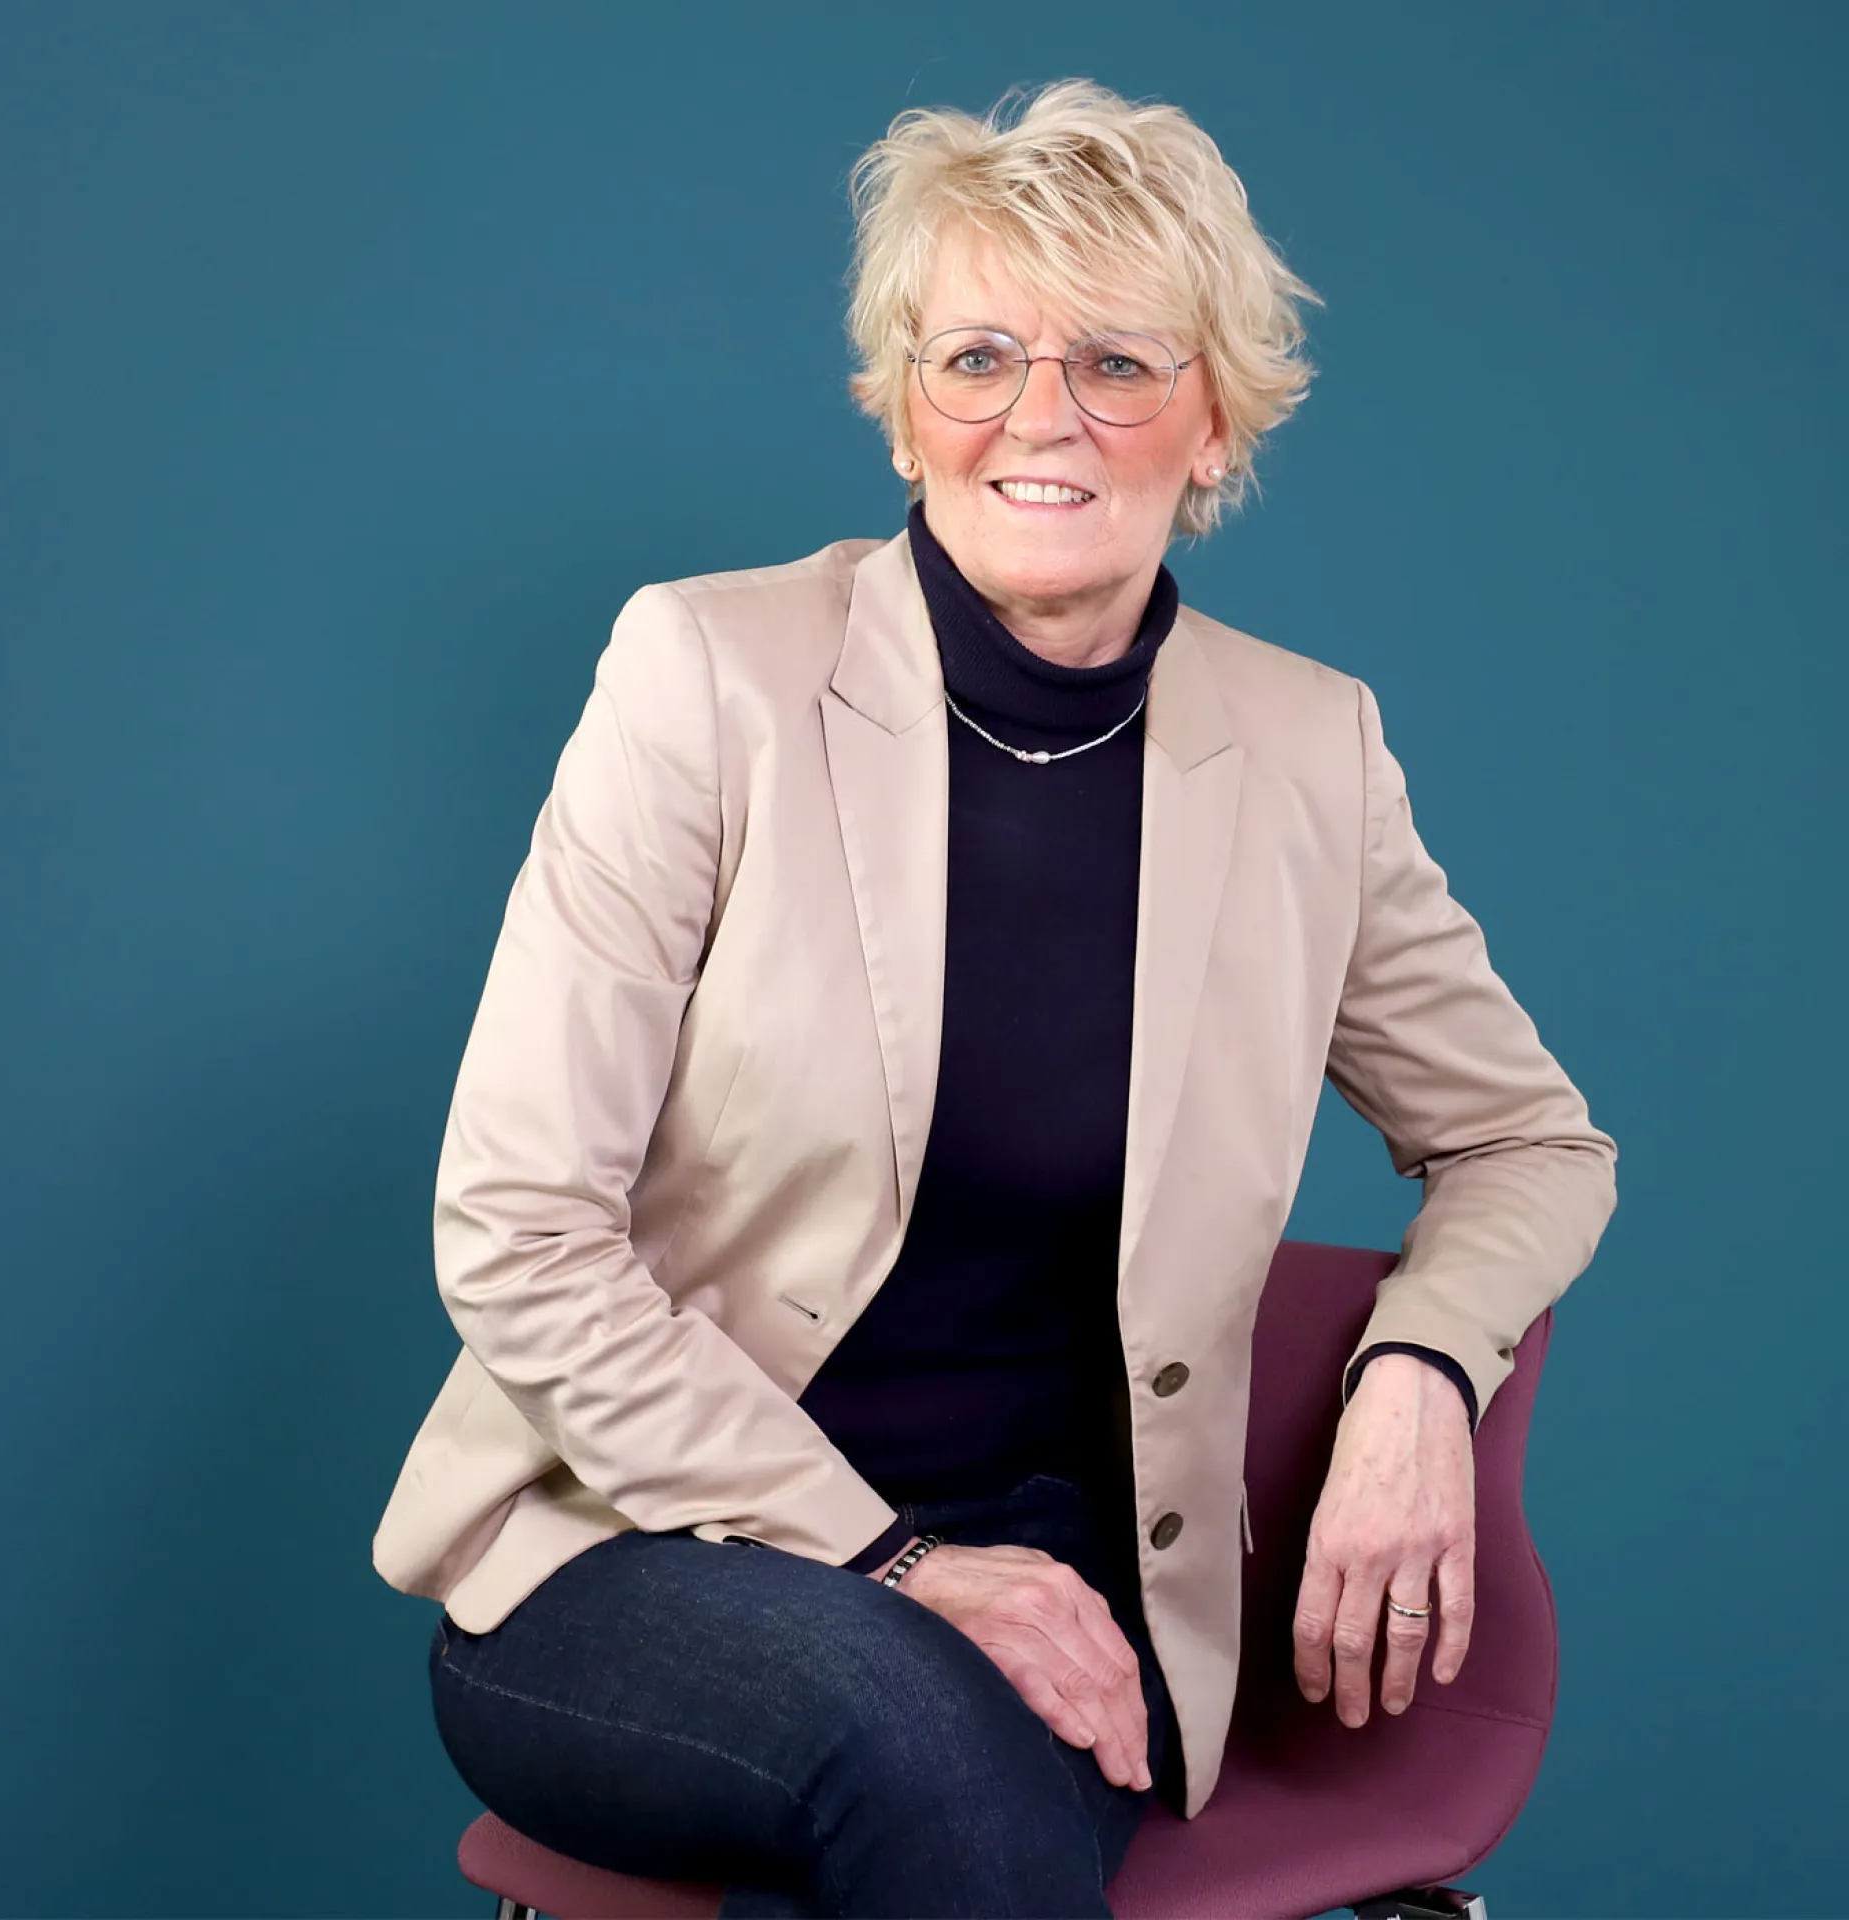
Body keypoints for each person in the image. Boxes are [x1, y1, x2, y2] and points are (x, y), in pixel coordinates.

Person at [372, 78, 1617, 1917]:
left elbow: (1530, 1141)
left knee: (962, 1764)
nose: (1042, 417)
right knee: (918, 1732)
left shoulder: (1309, 754)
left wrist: (1422, 1368)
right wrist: (890, 1562)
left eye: (1116, 363)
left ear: (1214, 421)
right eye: (977, 359)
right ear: (903, 409)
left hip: (1061, 1580)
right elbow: (517, 1229)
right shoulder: (707, 678)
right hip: (635, 1543)